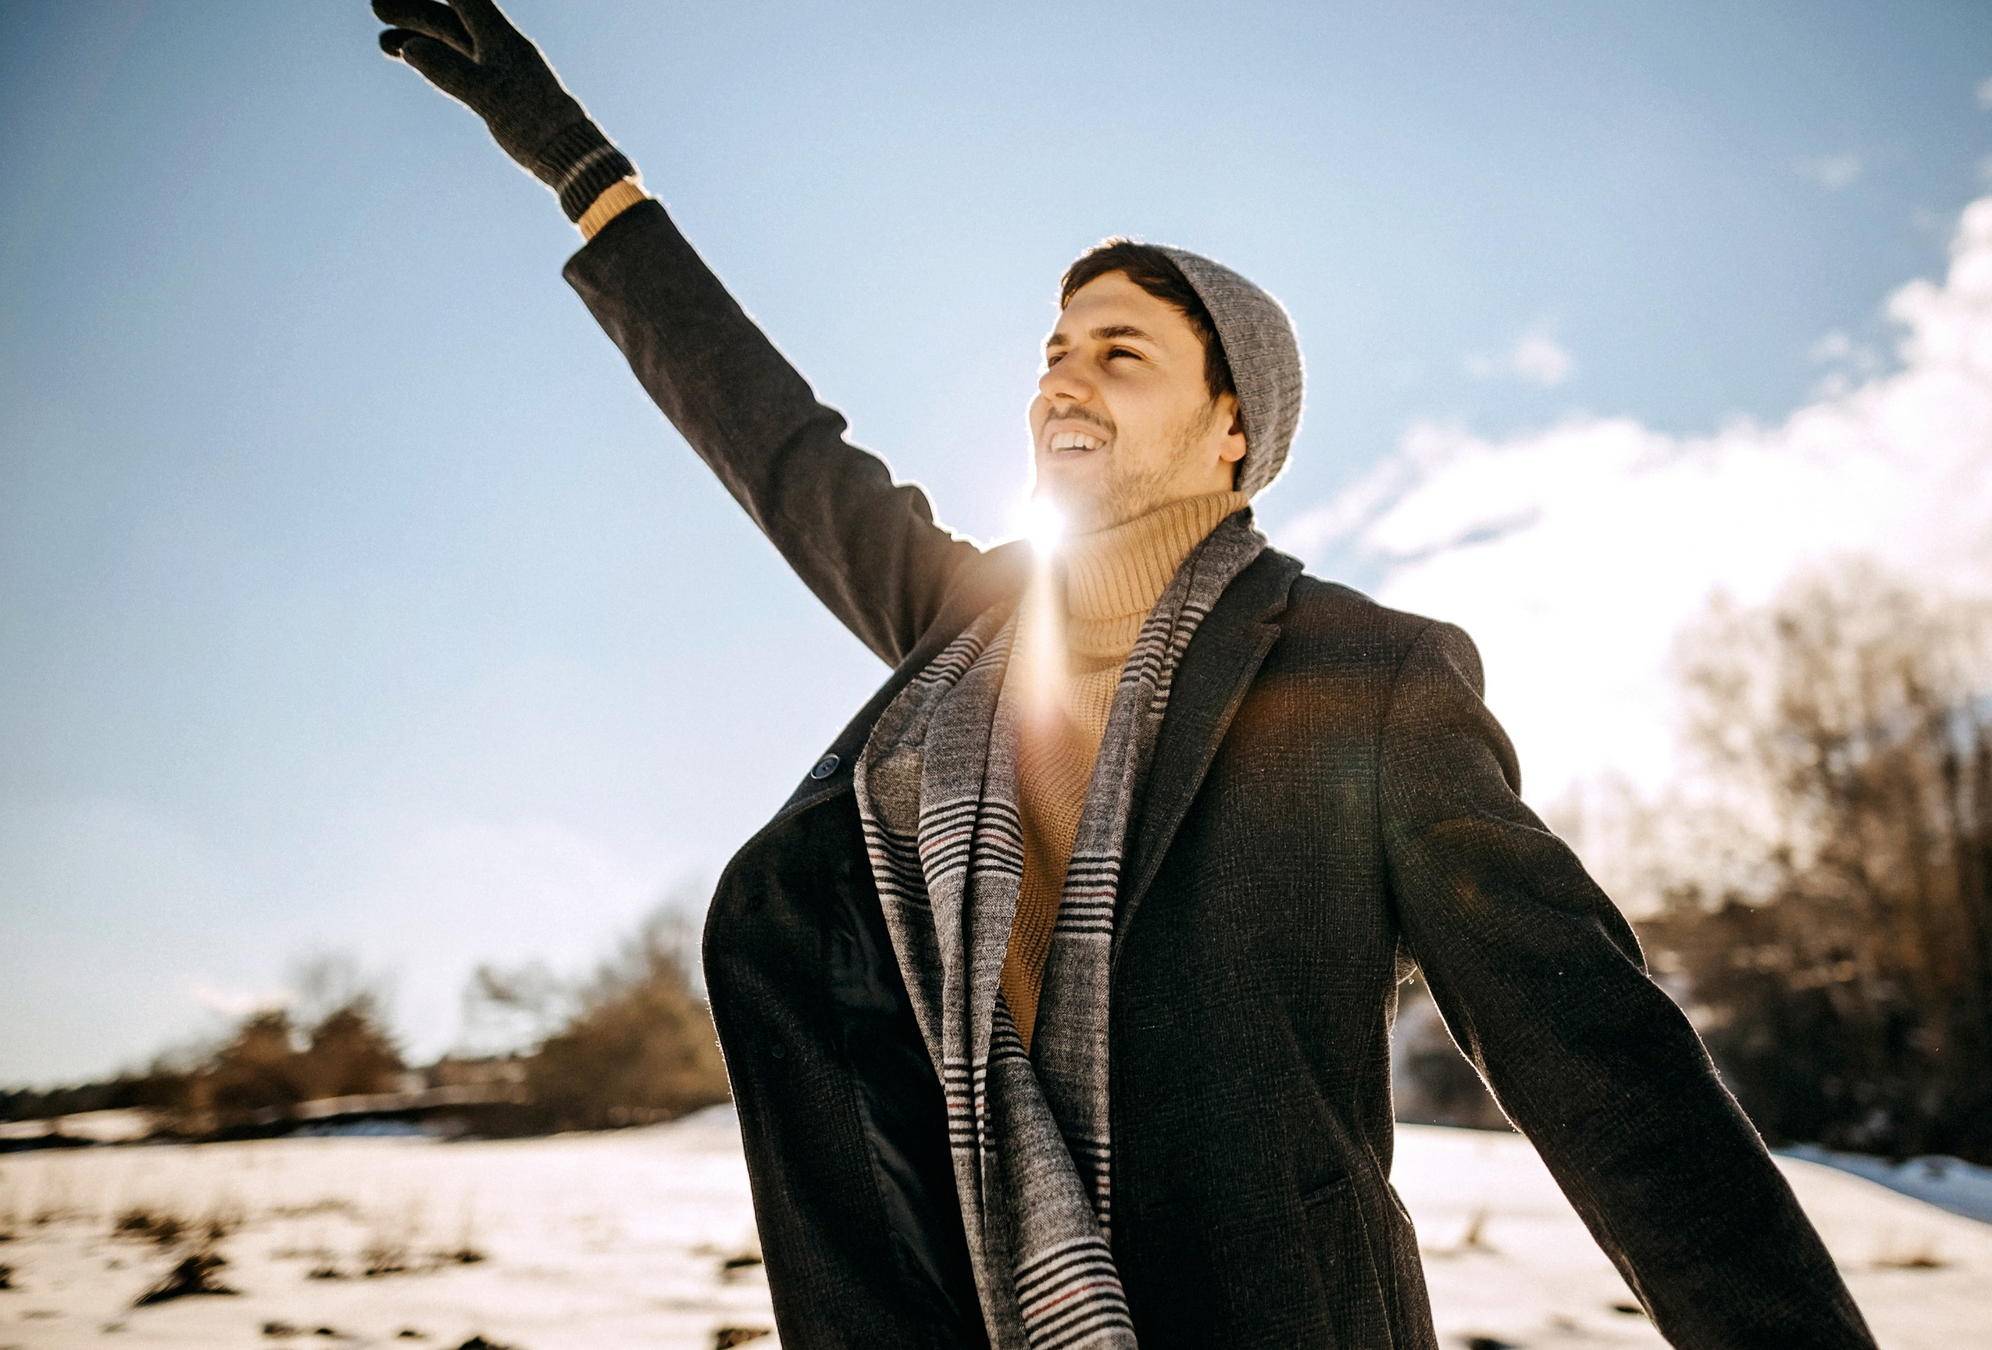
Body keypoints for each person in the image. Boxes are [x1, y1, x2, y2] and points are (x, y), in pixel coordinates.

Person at [371, 4, 1880, 1347]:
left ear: (1236, 431)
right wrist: (579, 166)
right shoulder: (965, 633)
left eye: (1121, 352)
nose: (1059, 379)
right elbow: (775, 443)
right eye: (1051, 347)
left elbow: (1601, 1057)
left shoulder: (1371, 679)